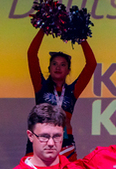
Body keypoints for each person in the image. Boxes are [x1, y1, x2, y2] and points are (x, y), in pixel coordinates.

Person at [27, 28, 96, 159]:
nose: (58, 67)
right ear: (49, 68)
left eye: (63, 64)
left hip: (65, 141)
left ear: (68, 70)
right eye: (54, 64)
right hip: (41, 139)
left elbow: (91, 64)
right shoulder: (40, 86)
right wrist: (44, 28)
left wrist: (81, 38)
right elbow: (31, 54)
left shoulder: (72, 91)